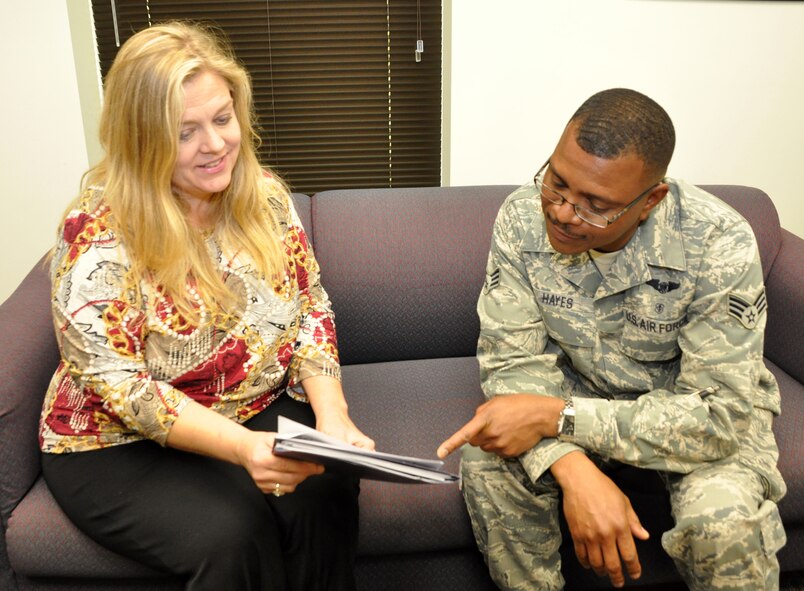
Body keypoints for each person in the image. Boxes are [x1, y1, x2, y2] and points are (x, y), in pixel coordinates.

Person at [39, 21, 374, 591]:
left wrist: (332, 416)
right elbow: (124, 388)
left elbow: (310, 304)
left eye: (222, 119)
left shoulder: (264, 196)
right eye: (185, 132)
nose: (216, 144)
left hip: (246, 405)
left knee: (327, 482)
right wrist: (244, 449)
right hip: (117, 440)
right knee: (230, 533)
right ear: (141, 138)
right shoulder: (98, 233)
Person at [437, 88, 787, 590]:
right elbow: (513, 367)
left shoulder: (717, 241)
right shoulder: (520, 219)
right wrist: (573, 465)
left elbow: (717, 417)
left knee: (722, 523)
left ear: (650, 201)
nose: (562, 213)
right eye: (557, 183)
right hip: (574, 398)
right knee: (487, 465)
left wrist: (559, 419)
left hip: (691, 416)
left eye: (595, 206)